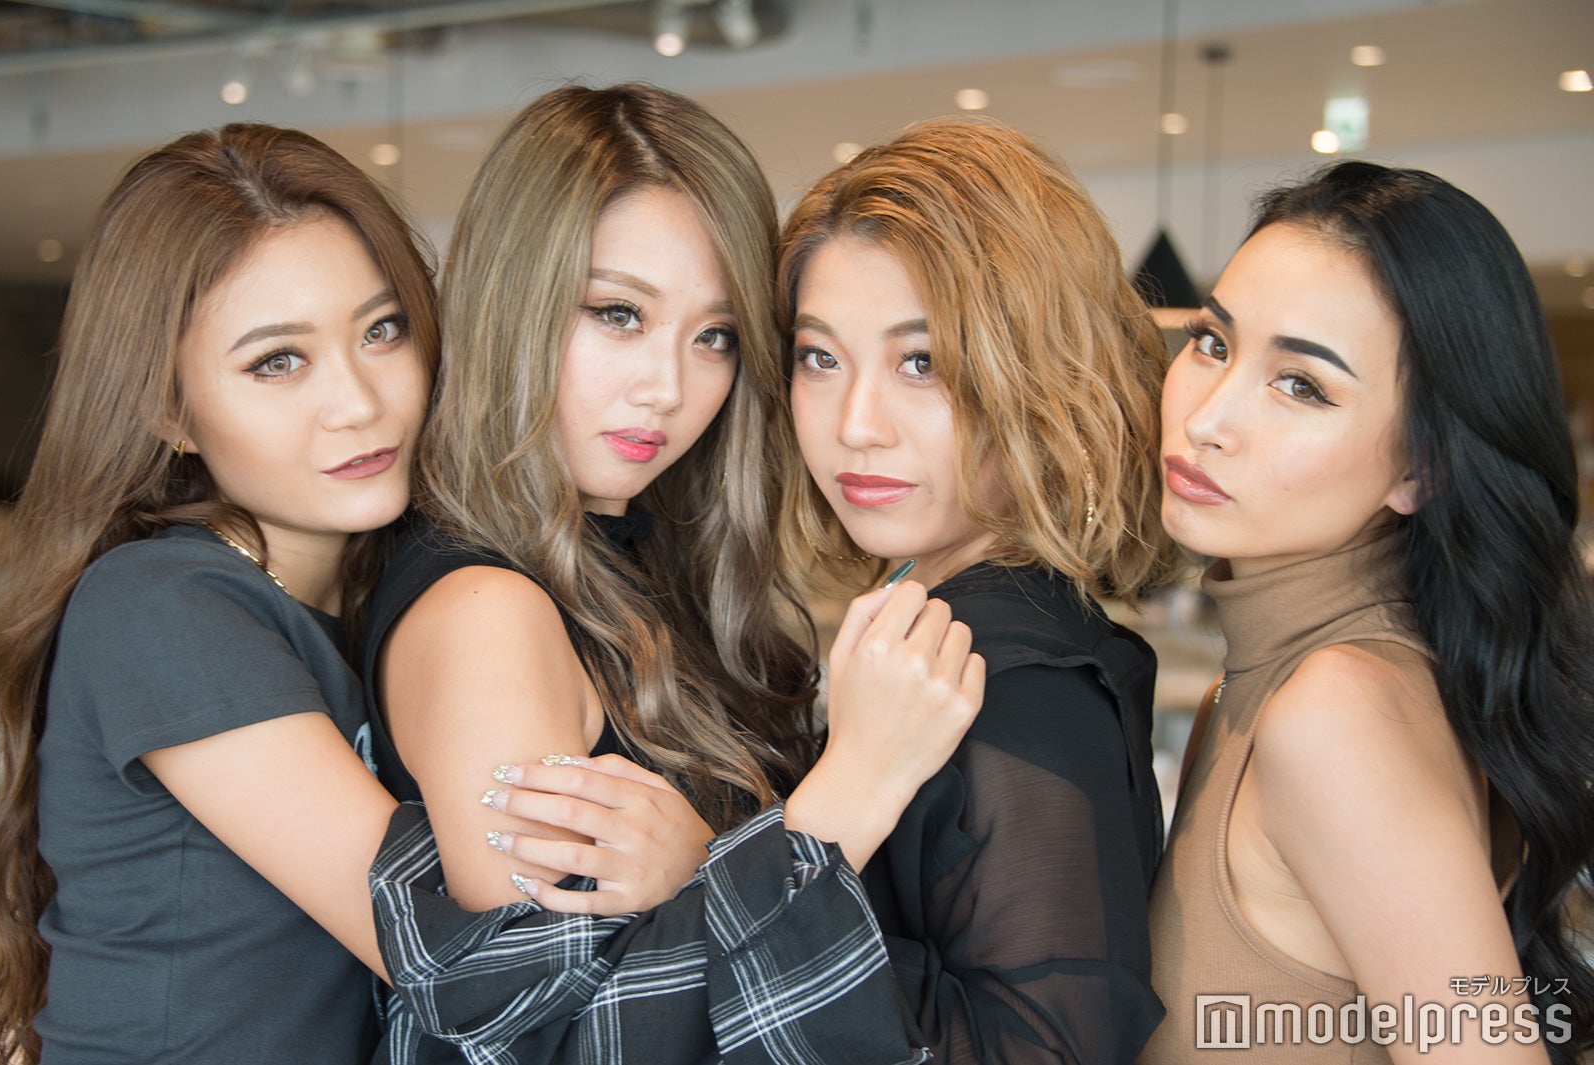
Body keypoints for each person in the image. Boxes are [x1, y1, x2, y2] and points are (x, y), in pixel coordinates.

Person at [361, 83, 984, 1063]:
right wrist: (848, 796)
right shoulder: (487, 611)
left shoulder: (648, 563)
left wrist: (703, 862)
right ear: (511, 301)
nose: (668, 387)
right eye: (617, 314)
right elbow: (549, 1038)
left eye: (715, 336)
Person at [0, 123, 438, 1064]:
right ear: (169, 409)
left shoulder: (381, 599)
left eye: (382, 329)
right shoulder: (159, 604)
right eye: (278, 360)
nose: (359, 402)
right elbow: (440, 948)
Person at [1145, 161, 1594, 1064]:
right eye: (1213, 342)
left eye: (1302, 385)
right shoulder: (1276, 680)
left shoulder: (1333, 710)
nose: (1208, 418)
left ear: (1420, 468)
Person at [767, 117, 1178, 1063]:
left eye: (923, 363)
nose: (856, 425)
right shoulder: (935, 616)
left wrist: (730, 883)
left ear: (1037, 375)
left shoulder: (1015, 685)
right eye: (820, 357)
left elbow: (1046, 1048)